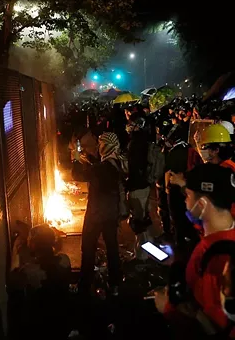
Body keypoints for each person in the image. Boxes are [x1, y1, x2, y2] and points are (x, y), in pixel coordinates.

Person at [155, 164, 235, 338]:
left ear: (203, 204)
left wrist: (167, 308)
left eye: (188, 195)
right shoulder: (219, 237)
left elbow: (212, 327)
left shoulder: (218, 260)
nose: (185, 201)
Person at [73, 132, 123, 296]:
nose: (98, 147)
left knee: (88, 248)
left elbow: (79, 175)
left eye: (101, 144)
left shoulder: (103, 168)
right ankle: (115, 282)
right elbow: (99, 169)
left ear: (107, 146)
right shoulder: (115, 163)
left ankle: (84, 285)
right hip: (110, 213)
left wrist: (75, 160)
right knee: (112, 247)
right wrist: (88, 159)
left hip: (96, 214)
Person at [8, 224, 72, 340]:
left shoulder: (29, 272)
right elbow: (51, 256)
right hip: (62, 322)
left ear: (33, 245)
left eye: (29, 240)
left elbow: (12, 281)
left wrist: (15, 250)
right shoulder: (65, 261)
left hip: (40, 328)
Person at [126, 113, 153, 260]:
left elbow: (134, 166)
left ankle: (143, 256)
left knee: (139, 222)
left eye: (131, 123)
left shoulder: (137, 143)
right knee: (143, 219)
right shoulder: (143, 139)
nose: (128, 126)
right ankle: (146, 252)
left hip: (138, 185)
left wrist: (128, 184)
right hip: (144, 184)